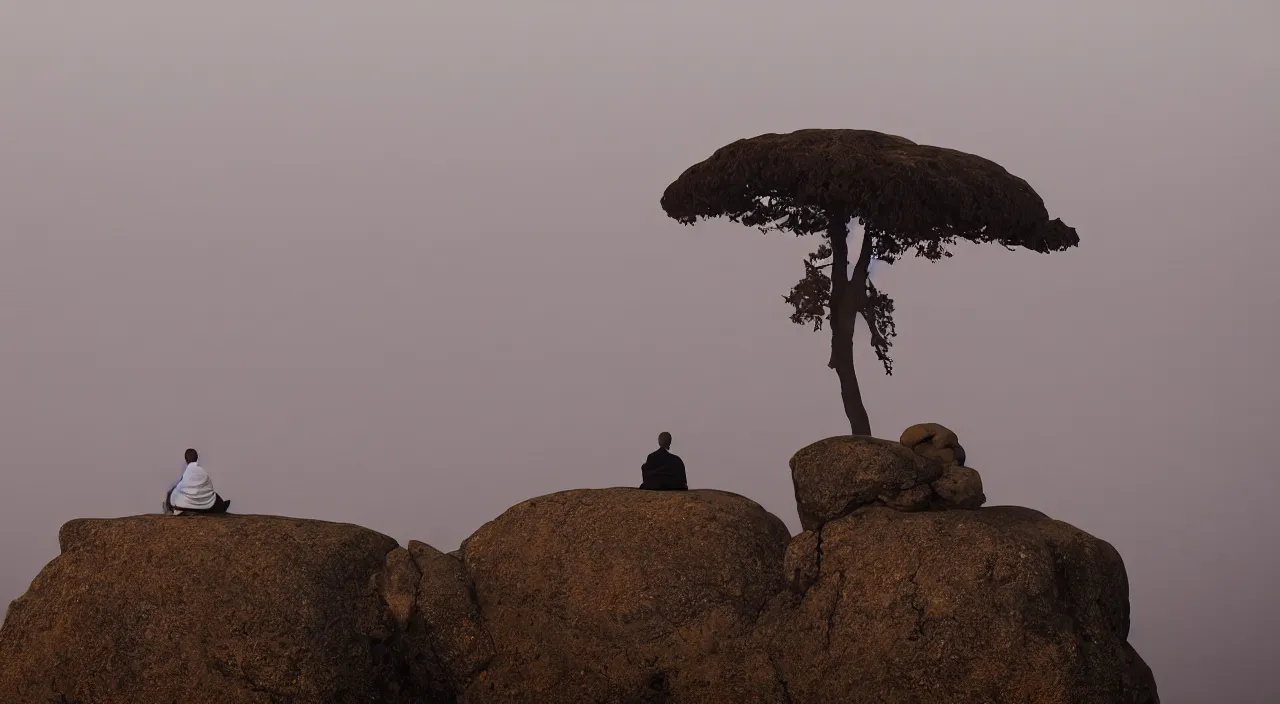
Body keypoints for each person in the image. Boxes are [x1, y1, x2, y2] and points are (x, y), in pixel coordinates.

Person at [164, 448, 231, 515]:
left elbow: (180, 488)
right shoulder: (203, 472)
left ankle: (189, 510)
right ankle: (220, 507)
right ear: (197, 458)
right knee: (215, 497)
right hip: (205, 504)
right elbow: (210, 488)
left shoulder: (186, 473)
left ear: (186, 459)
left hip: (186, 504)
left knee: (172, 493)